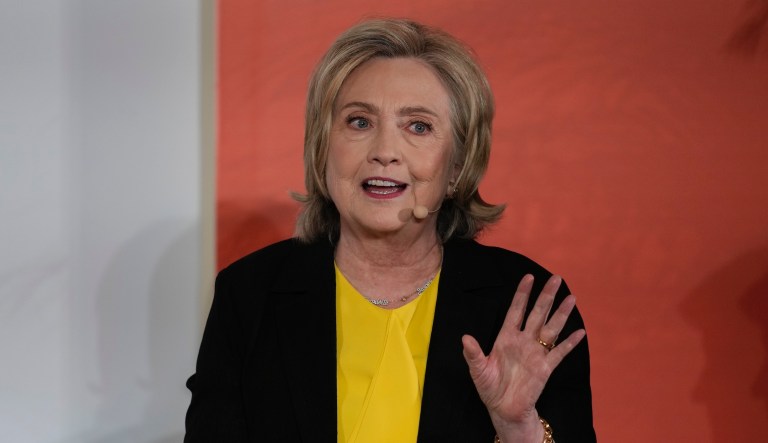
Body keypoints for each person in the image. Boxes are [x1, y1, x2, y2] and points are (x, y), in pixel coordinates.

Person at [185, 18, 596, 443]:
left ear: (457, 166)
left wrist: (518, 429)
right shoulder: (250, 294)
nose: (384, 152)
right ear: (323, 149)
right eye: (359, 122)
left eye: (418, 126)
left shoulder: (525, 306)